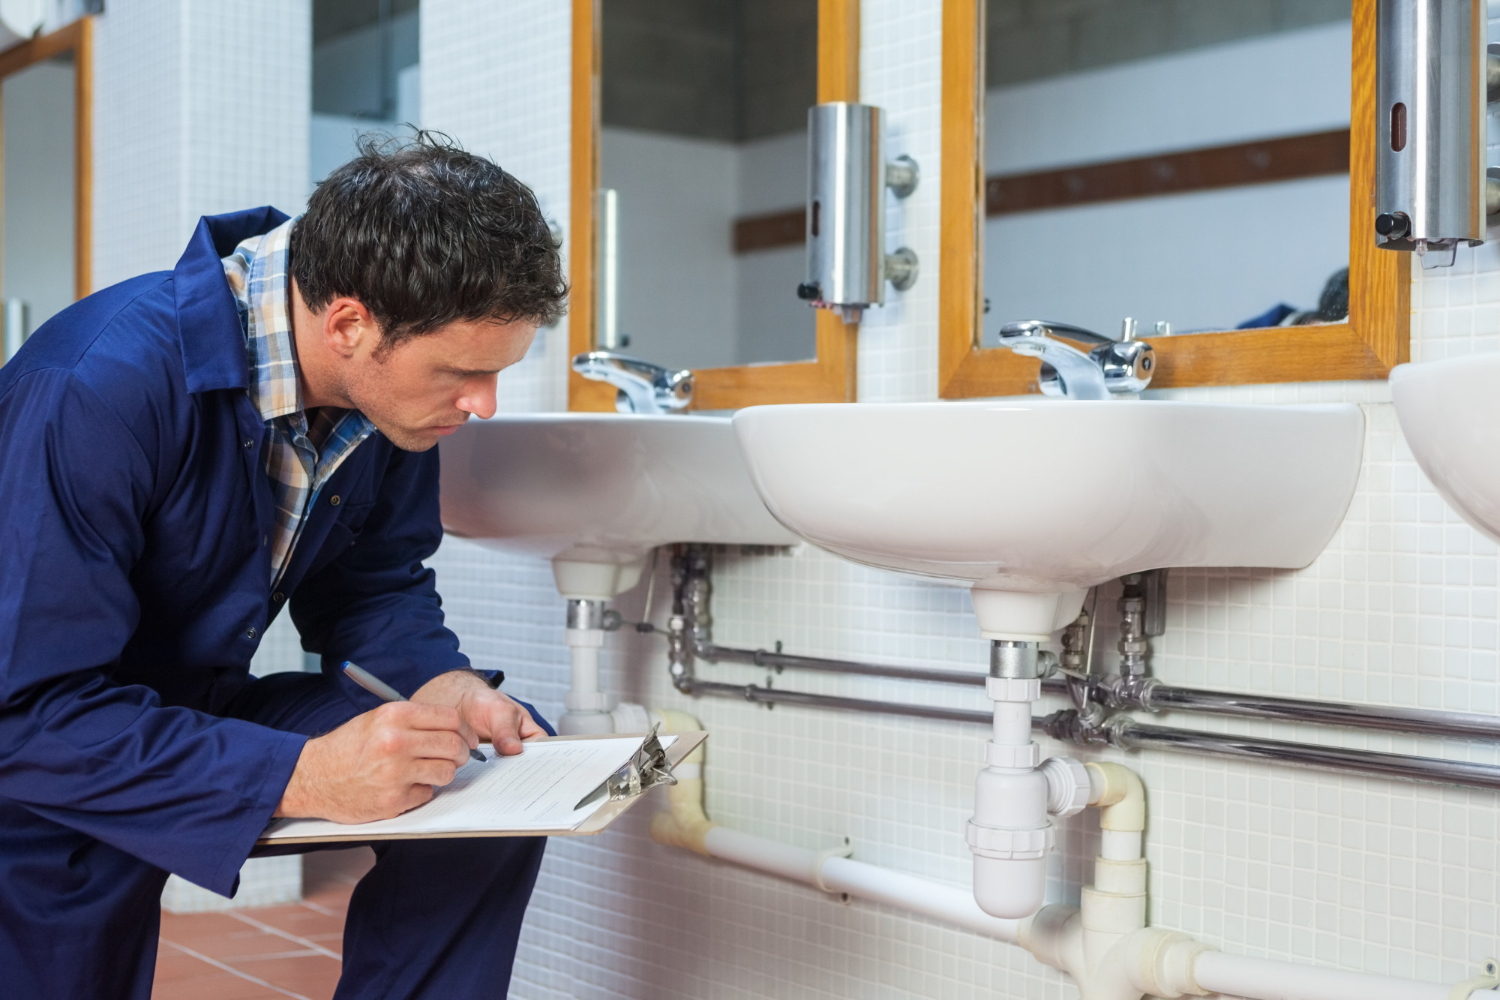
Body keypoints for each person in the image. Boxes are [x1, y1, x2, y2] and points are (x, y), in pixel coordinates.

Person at [0, 133, 567, 998]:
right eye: (462, 372)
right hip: (50, 745)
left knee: (479, 788)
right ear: (348, 322)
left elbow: (375, 587)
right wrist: (304, 775)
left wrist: (437, 683)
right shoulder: (93, 388)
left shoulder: (388, 399)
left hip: (195, 708)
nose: (482, 405)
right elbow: (28, 712)